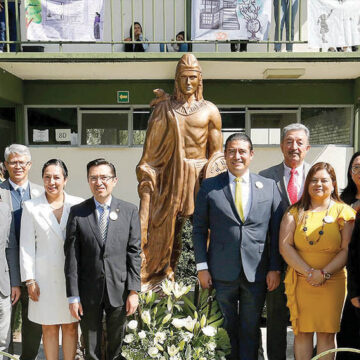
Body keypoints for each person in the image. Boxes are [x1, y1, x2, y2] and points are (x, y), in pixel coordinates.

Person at [193, 133, 283, 360]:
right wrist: (201, 267)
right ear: (225, 155)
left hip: (258, 271)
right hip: (222, 271)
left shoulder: (269, 187)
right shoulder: (210, 186)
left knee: (251, 328)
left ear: (251, 154)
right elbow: (199, 229)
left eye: (242, 151)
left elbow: (276, 232)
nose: (237, 156)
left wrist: (274, 268)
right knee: (226, 329)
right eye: (231, 151)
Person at [137, 53, 223, 290]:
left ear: (199, 80)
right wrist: (147, 180)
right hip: (171, 178)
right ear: (177, 79)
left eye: (192, 77)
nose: (188, 83)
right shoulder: (164, 110)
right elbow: (151, 151)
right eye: (184, 77)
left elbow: (217, 155)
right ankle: (158, 280)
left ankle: (212, 283)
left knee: (207, 232)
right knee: (162, 235)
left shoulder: (210, 111)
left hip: (201, 179)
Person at [64, 158, 141, 360]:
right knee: (91, 348)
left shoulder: (129, 211)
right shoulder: (78, 212)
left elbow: (134, 253)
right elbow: (72, 257)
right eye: (94, 178)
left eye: (104, 177)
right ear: (88, 181)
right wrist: (73, 296)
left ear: (114, 180)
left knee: (118, 346)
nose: (99, 182)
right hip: (88, 291)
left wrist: (134, 290)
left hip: (119, 288)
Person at [280, 162, 355, 360]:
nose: (318, 184)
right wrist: (308, 272)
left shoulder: (344, 212)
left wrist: (324, 273)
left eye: (324, 180)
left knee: (326, 333)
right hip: (301, 279)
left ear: (333, 184)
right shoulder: (294, 212)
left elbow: (347, 249)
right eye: (313, 180)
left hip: (333, 281)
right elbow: (285, 246)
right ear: (307, 184)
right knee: (302, 332)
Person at [19, 159, 83, 360]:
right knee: (49, 328)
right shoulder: (31, 207)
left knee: (71, 328)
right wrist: (29, 279)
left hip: (72, 278)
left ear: (65, 179)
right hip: (43, 279)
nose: (51, 181)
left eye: (56, 177)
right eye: (47, 177)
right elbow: (26, 245)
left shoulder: (78, 204)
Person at [259, 123, 311, 360]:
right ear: (281, 146)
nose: (294, 147)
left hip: (312, 265)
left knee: (309, 320)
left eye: (299, 142)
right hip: (276, 264)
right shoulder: (264, 178)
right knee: (276, 321)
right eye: (289, 142)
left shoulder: (318, 176)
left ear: (307, 147)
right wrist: (272, 266)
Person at [0, 144, 43, 359]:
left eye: (22, 162)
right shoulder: (0, 193)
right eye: (13, 162)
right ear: (6, 165)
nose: (18, 166)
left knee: (33, 322)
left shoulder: (41, 192)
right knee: (4, 325)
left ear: (29, 165)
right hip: (5, 271)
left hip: (35, 269)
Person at [336, 151, 360, 360]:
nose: (359, 171)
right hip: (348, 271)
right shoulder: (343, 200)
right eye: (356, 167)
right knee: (347, 336)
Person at [0, 200, 19, 360]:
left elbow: (10, 246)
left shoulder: (5, 209)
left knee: (3, 340)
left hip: (3, 284)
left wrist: (15, 282)